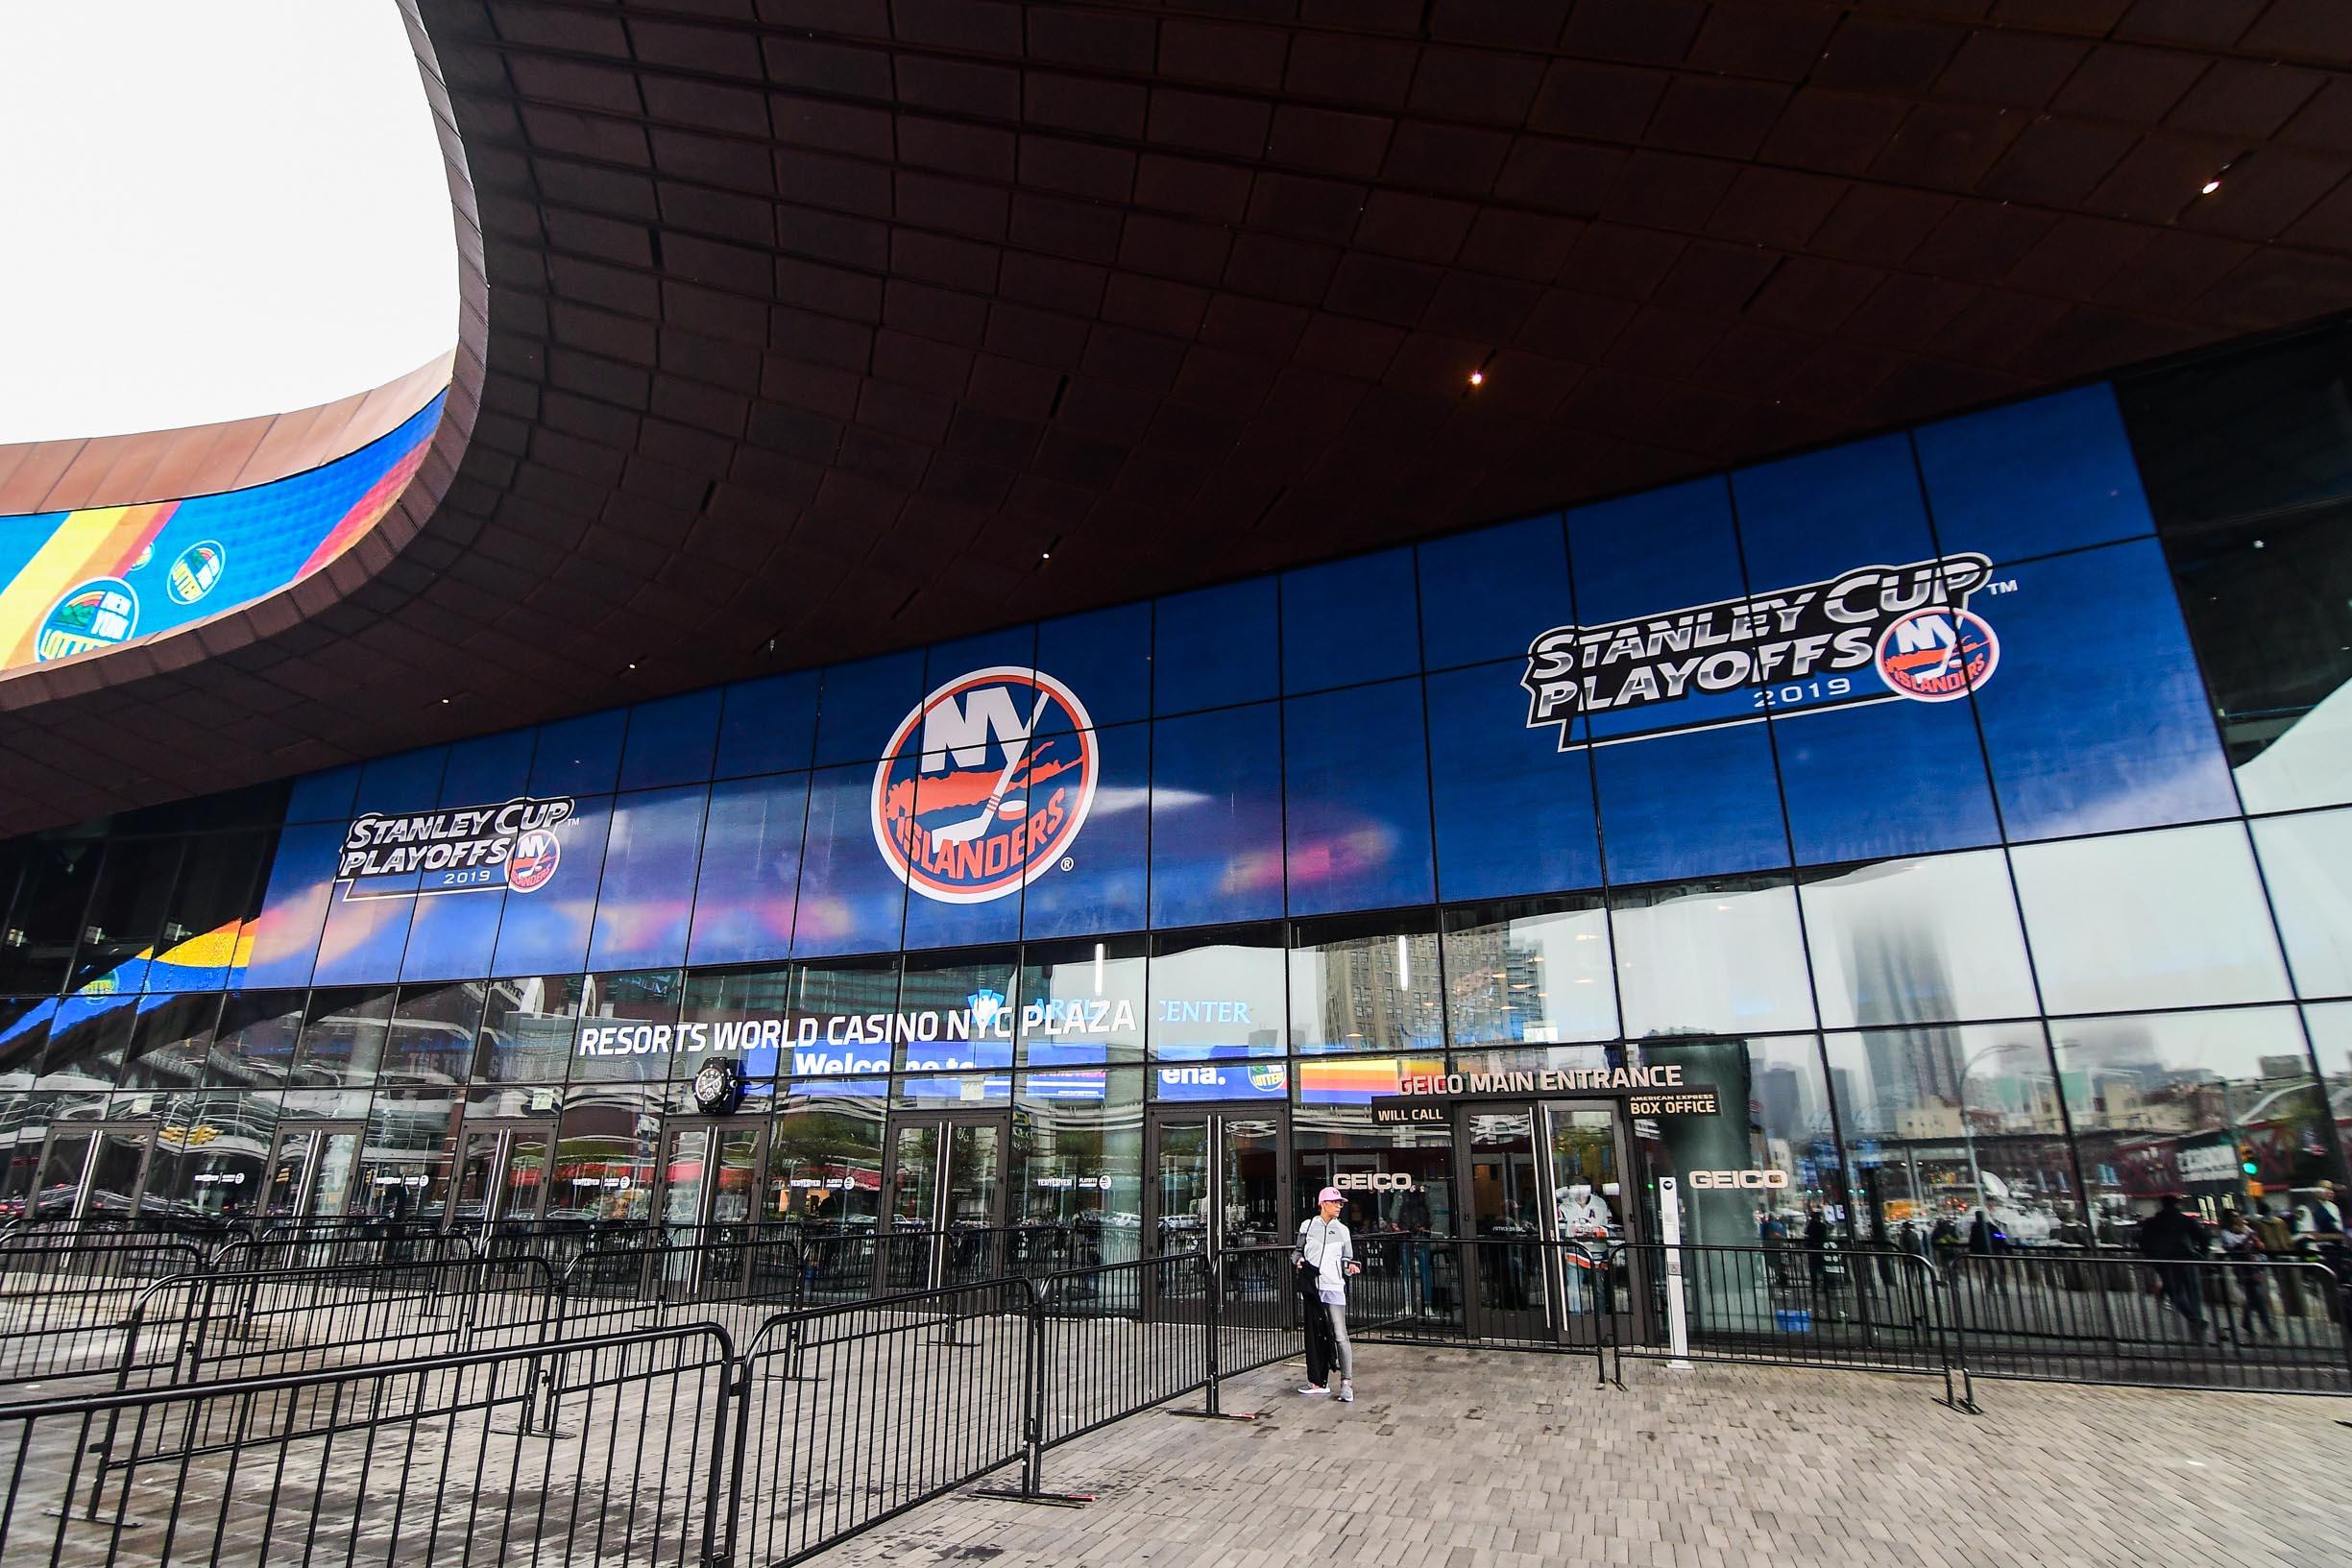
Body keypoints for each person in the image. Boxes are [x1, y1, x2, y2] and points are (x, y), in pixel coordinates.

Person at [1296, 1186, 1363, 1403]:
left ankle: (1346, 1383)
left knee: (1340, 1334)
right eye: (1335, 1202)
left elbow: (1348, 1259)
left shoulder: (1343, 1230)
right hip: (1313, 1287)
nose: (1339, 1206)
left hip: (1333, 1286)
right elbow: (1297, 1251)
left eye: (1340, 1203)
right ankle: (1318, 1381)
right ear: (1323, 1203)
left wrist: (1351, 1267)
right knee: (1315, 1334)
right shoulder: (1308, 1226)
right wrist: (1298, 1261)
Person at [2136, 1194, 2212, 1342]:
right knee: (2193, 1294)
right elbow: (2203, 1238)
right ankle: (2197, 1327)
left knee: (2175, 1293)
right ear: (2177, 1205)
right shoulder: (2185, 1221)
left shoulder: (2152, 1223)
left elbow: (2144, 1243)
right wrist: (2202, 1254)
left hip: (2165, 1262)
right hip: (2186, 1259)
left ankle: (2194, 1319)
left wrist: (2153, 1257)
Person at [2217, 1209, 2274, 1339]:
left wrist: (2254, 1239)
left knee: (2253, 1296)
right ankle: (2267, 1326)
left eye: (2238, 1215)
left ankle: (2247, 1322)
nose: (2237, 1218)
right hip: (2242, 1268)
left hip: (2254, 1266)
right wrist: (2247, 1238)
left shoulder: (2246, 1228)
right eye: (2234, 1216)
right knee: (2256, 1295)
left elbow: (2259, 1244)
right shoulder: (2226, 1233)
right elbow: (2233, 1245)